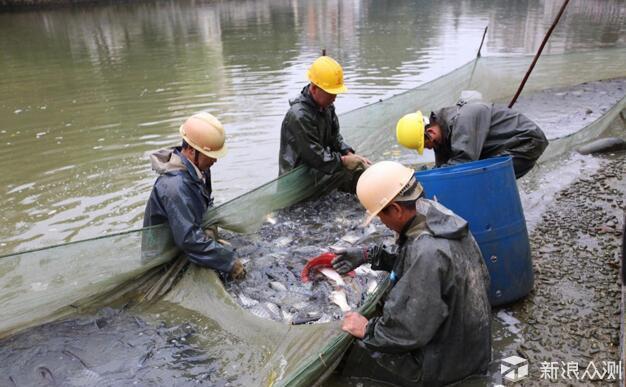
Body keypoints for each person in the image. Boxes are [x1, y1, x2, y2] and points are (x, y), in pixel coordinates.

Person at [332, 160, 491, 386]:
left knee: (351, 358)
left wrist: (366, 328)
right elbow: (420, 263)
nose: (381, 222)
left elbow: (406, 331)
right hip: (472, 350)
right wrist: (370, 255)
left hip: (445, 368)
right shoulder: (438, 216)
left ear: (396, 209)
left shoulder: (427, 252)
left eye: (380, 216)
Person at [143, 112, 245, 280]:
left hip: (185, 239)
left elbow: (206, 203)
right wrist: (229, 262)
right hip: (165, 258)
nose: (215, 161)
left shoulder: (201, 169)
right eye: (211, 156)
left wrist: (212, 232)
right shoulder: (175, 186)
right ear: (191, 150)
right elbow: (189, 240)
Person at [278, 55, 370, 192]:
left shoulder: (327, 106)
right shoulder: (299, 116)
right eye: (330, 93)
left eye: (336, 93)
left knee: (359, 177)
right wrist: (344, 161)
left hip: (320, 173)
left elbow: (335, 138)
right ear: (314, 88)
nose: (334, 98)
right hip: (297, 186)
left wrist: (348, 152)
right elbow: (315, 156)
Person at [396, 101, 548, 178]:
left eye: (426, 144)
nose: (429, 148)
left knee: (484, 178)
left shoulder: (462, 121)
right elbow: (444, 168)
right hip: (502, 145)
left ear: (429, 131)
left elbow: (461, 163)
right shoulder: (442, 134)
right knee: (475, 177)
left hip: (526, 141)